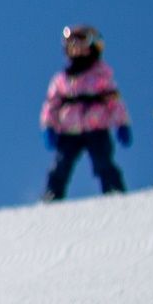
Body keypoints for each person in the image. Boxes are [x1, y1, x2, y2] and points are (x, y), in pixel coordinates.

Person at [39, 24, 131, 201]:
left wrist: (122, 123)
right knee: (61, 164)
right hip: (69, 130)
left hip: (96, 127)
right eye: (72, 45)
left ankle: (113, 190)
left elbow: (114, 101)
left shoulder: (101, 75)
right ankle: (52, 195)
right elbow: (51, 105)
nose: (77, 49)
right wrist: (48, 126)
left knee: (102, 161)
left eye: (81, 44)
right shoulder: (62, 79)